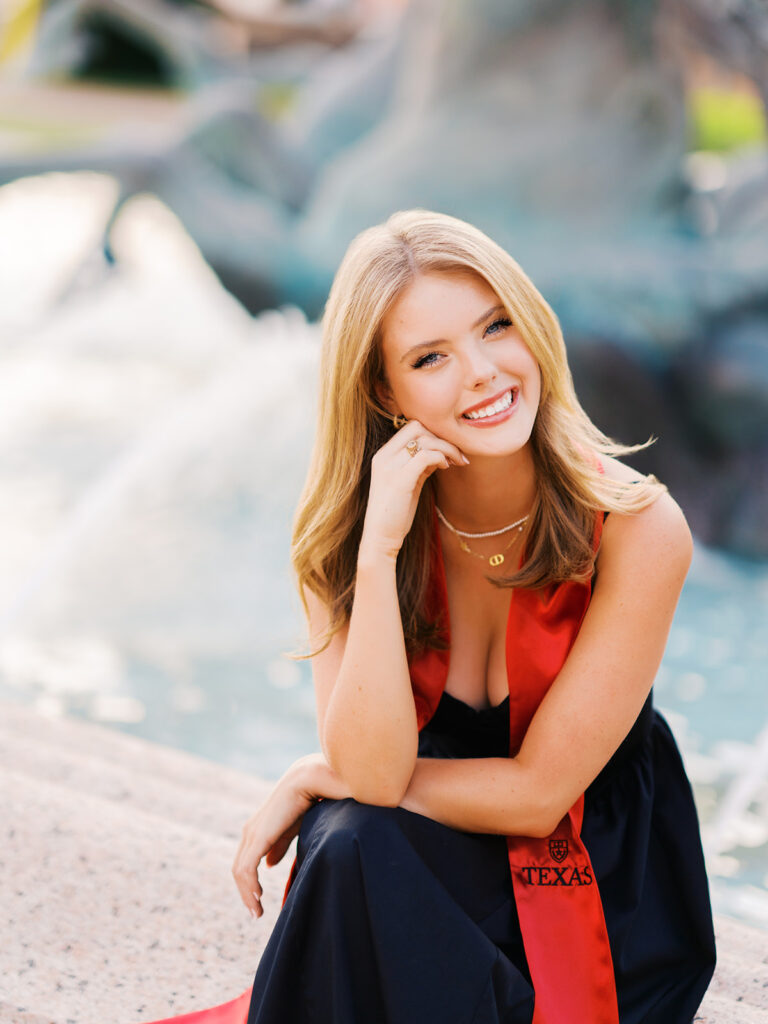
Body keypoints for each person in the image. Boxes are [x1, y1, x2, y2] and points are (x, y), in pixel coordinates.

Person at [149, 209, 717, 1024]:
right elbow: (372, 773)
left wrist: (319, 773)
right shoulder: (347, 537)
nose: (482, 373)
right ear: (384, 391)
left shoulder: (639, 528)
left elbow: (536, 797)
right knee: (347, 842)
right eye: (430, 357)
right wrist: (379, 552)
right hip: (440, 855)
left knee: (348, 825)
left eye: (496, 326)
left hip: (595, 873)